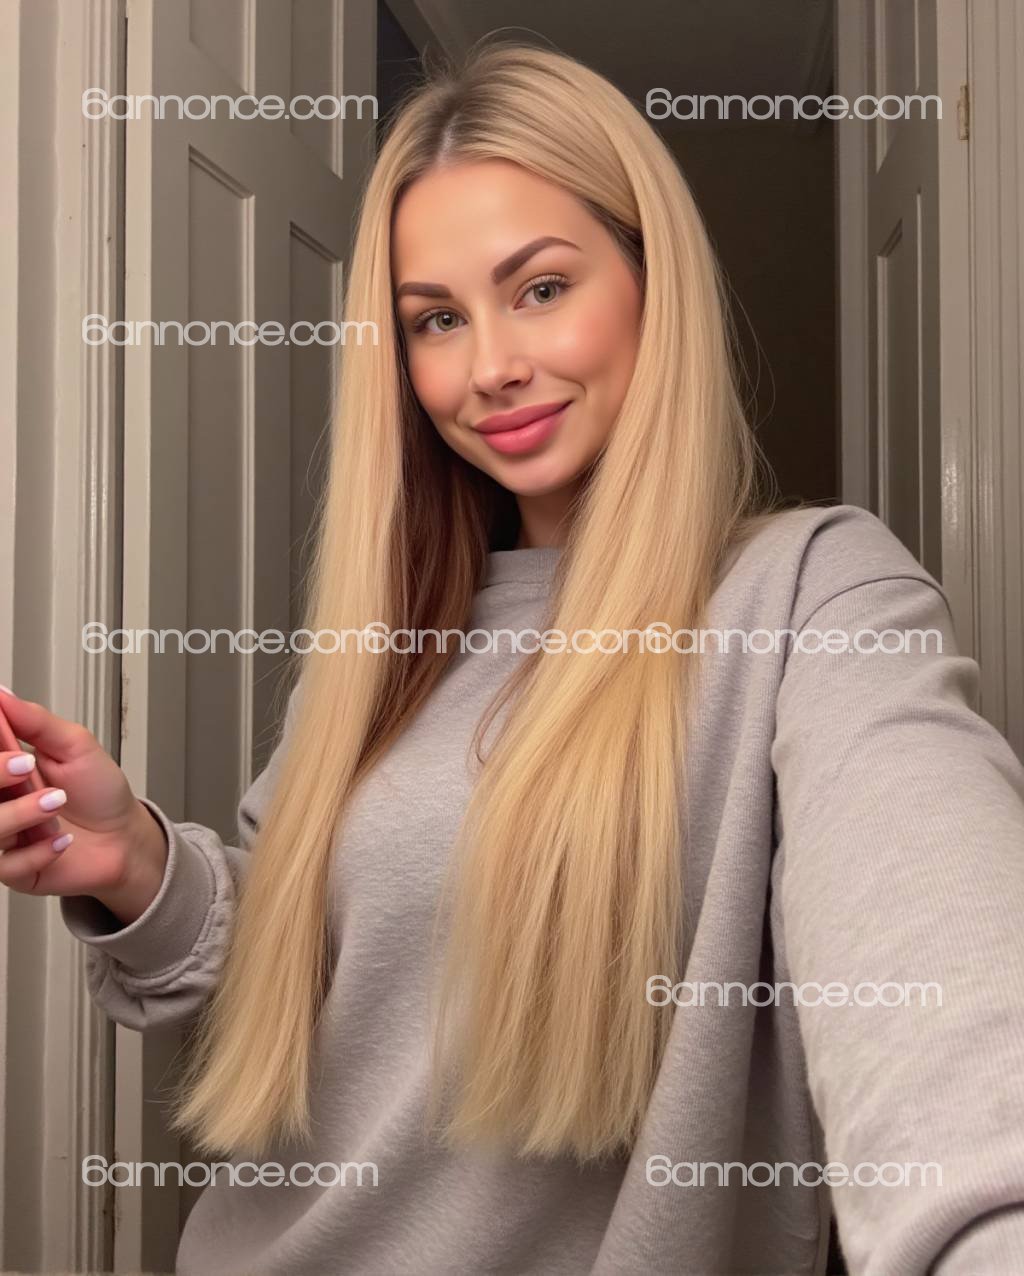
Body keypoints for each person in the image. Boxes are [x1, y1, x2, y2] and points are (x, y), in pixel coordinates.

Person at [2, 40, 1023, 1276]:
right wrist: (138, 864)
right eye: (437, 319)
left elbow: (939, 981)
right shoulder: (386, 639)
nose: (488, 367)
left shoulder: (812, 597)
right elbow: (311, 987)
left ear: (652, 282)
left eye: (540, 287)